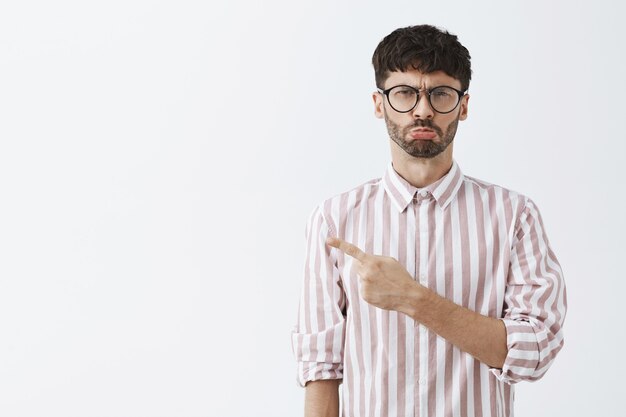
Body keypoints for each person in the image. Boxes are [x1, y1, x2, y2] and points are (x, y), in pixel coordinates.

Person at [291, 24, 566, 417]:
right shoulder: (334, 220)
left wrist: (412, 299)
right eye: (404, 92)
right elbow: (321, 366)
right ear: (379, 103)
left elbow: (536, 350)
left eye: (440, 93)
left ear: (463, 105)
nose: (422, 109)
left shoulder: (513, 216)